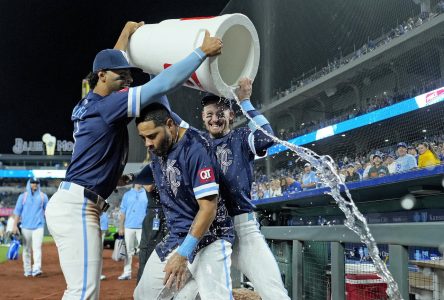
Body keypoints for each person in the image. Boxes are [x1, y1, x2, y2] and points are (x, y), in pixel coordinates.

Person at [44, 21, 223, 299]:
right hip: (78, 206)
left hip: (77, 200)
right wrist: (200, 52)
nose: (127, 80)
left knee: (85, 291)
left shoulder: (89, 102)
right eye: (122, 75)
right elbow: (162, 84)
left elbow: (109, 62)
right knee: (82, 293)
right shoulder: (108, 105)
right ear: (102, 76)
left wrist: (125, 36)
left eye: (129, 75)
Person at [187, 78, 289, 299]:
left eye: (221, 113)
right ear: (203, 118)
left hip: (243, 228)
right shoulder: (197, 145)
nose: (215, 118)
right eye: (209, 114)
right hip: (209, 230)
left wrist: (244, 101)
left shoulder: (241, 137)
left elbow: (266, 137)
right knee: (186, 293)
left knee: (275, 293)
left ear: (232, 115)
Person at [131, 103, 234, 299]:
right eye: (143, 138)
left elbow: (208, 208)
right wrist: (129, 179)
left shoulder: (196, 148)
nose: (147, 143)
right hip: (177, 236)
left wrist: (183, 254)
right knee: (142, 296)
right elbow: (156, 171)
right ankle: (192, 291)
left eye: (152, 136)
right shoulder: (160, 147)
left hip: (211, 237)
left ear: (170, 125)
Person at [12, 178, 48, 277]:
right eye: (33, 182)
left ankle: (36, 268)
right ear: (29, 184)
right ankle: (27, 270)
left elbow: (47, 211)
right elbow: (17, 212)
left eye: (37, 183)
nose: (35, 184)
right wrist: (14, 225)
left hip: (38, 226)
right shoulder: (22, 197)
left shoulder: (43, 197)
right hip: (25, 227)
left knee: (37, 248)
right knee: (26, 249)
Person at [117, 184, 148, 280]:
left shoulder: (146, 193)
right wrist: (121, 227)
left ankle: (145, 273)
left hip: (143, 227)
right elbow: (123, 212)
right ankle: (127, 272)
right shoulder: (127, 195)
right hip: (129, 226)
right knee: (128, 251)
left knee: (144, 251)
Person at [99, 212, 108, 281]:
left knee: (99, 253)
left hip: (103, 227)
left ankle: (98, 274)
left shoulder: (105, 201)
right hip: (96, 227)